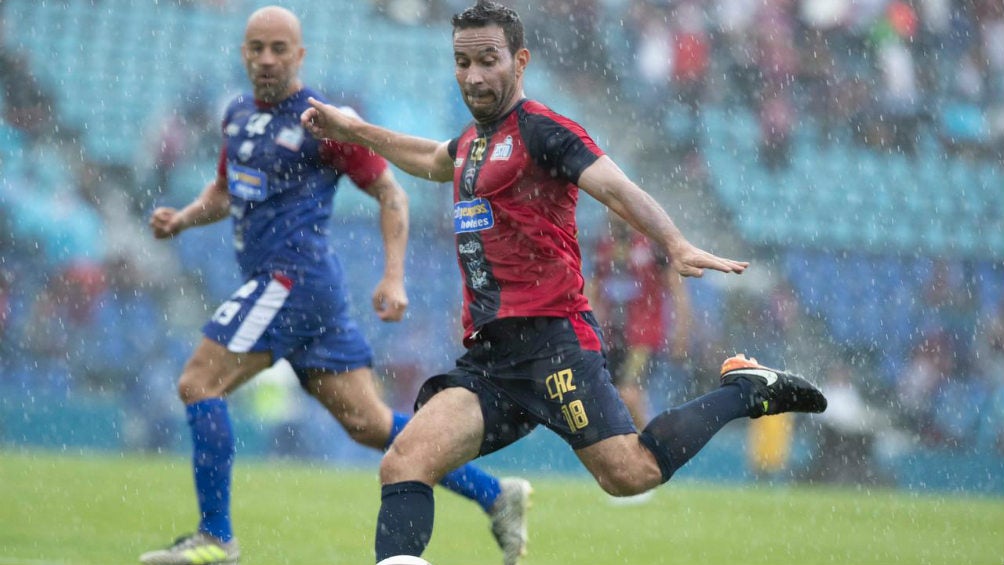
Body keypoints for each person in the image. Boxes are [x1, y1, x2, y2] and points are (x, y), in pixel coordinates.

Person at [300, 2, 828, 562]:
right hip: (493, 359)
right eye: (462, 62)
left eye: (488, 60)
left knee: (630, 474)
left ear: (519, 61)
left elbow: (615, 187)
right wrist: (354, 130)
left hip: (554, 345)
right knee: (404, 461)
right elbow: (433, 158)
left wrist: (673, 244)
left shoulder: (544, 131)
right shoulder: (471, 145)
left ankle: (745, 391)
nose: (474, 75)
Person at [139, 6, 530, 565]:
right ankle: (496, 494)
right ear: (244, 54)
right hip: (310, 296)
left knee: (199, 383)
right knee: (369, 424)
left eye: (280, 48)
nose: (268, 58)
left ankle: (216, 536)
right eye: (258, 48)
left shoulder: (322, 122)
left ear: (300, 56)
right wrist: (182, 218)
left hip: (291, 281)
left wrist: (394, 275)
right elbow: (226, 192)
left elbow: (392, 193)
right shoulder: (237, 117)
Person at [589, 211, 693, 428]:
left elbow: (677, 290)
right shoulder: (604, 246)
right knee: (613, 398)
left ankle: (653, 446)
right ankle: (637, 448)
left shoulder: (652, 247)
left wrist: (681, 332)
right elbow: (595, 289)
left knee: (629, 394)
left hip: (644, 337)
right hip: (611, 336)